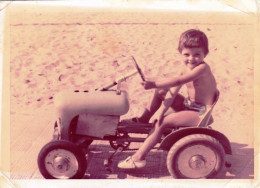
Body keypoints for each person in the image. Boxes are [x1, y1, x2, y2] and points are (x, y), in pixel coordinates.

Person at [117, 29, 218, 169]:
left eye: (197, 54)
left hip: (201, 113)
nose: (191, 59)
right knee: (161, 91)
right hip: (189, 105)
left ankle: (139, 158)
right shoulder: (186, 67)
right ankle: (144, 119)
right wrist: (161, 110)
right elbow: (173, 91)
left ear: (205, 54)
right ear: (180, 52)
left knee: (162, 122)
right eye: (186, 54)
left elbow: (178, 81)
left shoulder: (202, 69)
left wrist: (153, 84)